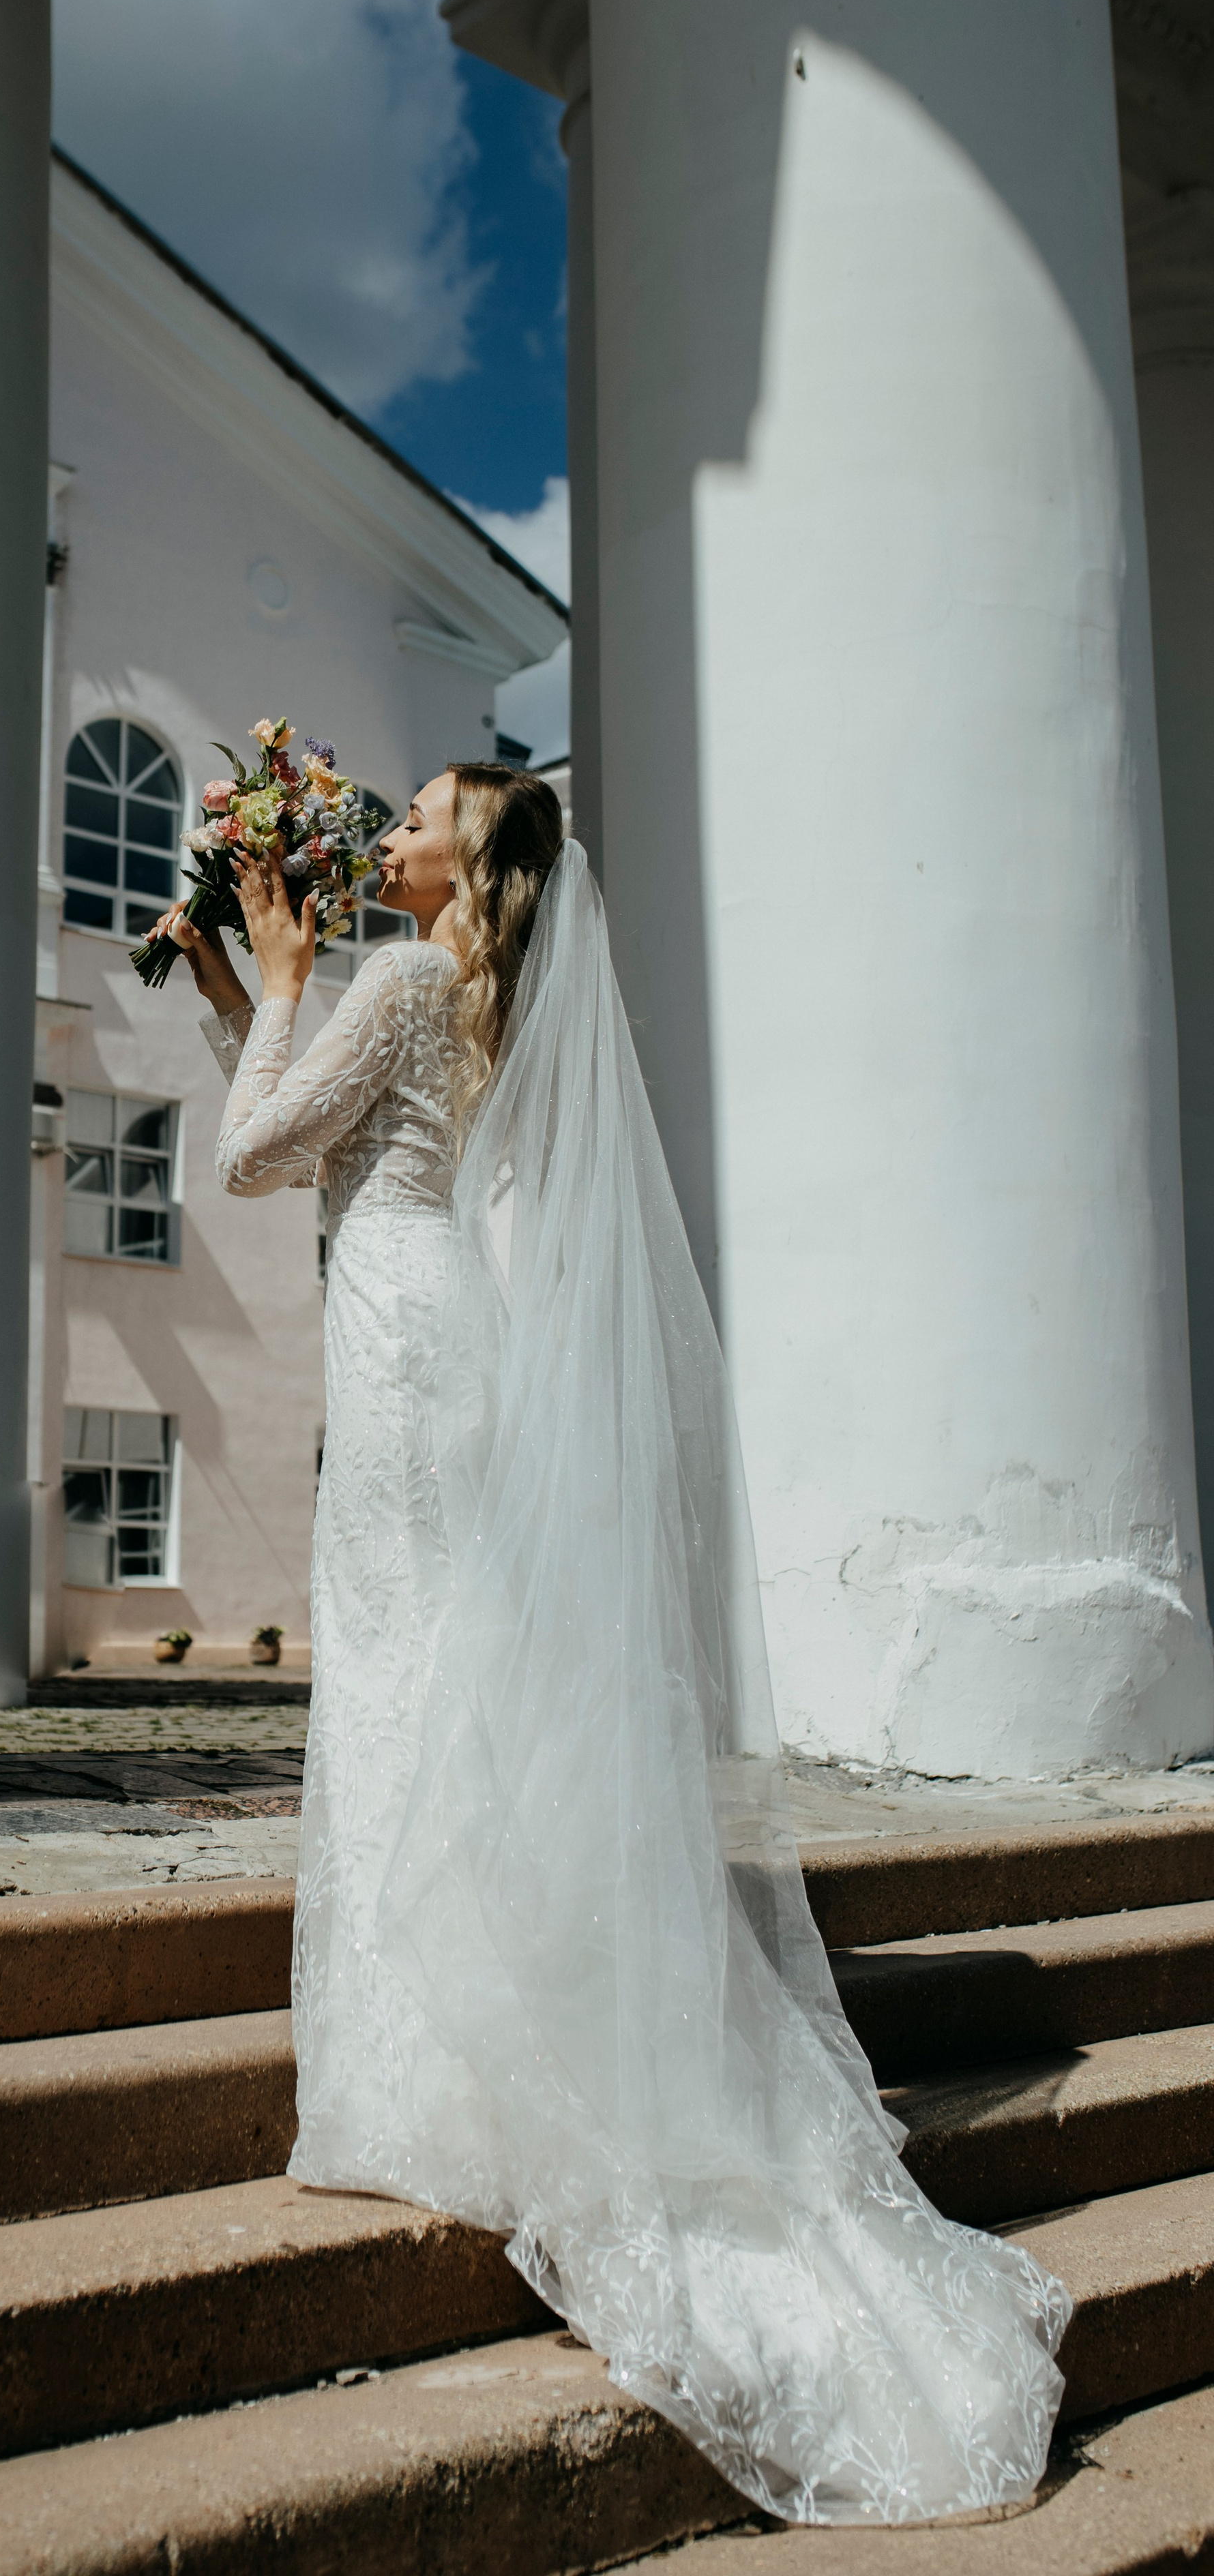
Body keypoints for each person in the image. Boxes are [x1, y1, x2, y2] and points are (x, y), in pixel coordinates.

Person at [151, 763, 1069, 2525]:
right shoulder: (466, 988)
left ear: (469, 857)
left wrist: (279, 981)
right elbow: (325, 1132)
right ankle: (455, 2044)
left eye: (413, 818)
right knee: (441, 1674)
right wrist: (233, 991)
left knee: (411, 1676)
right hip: (439, 1328)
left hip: (402, 1349)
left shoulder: (395, 976)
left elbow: (262, 1156)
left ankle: (433, 2082)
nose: (385, 836)